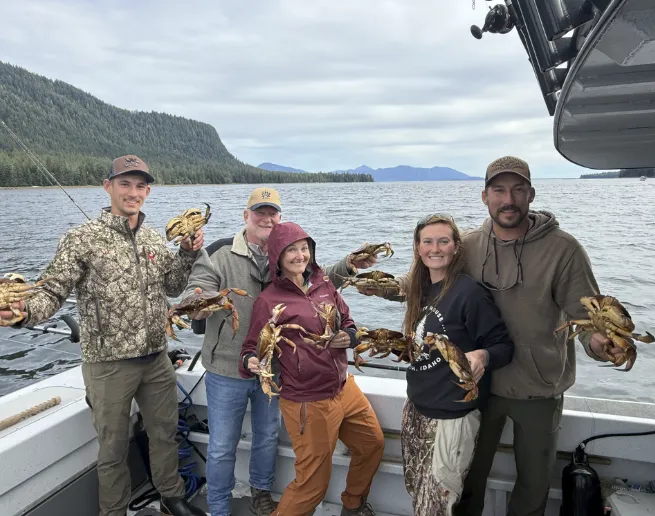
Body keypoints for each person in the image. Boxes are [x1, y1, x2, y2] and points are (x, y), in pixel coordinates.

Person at [363, 156, 623, 516]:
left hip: (539, 386)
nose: (508, 199)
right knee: (468, 480)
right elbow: (424, 280)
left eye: (518, 190)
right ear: (485, 196)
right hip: (479, 386)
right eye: (499, 190)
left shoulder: (564, 250)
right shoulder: (469, 245)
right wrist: (381, 286)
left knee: (533, 484)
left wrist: (599, 344)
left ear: (531, 194)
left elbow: (587, 314)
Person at [0, 155, 206, 516]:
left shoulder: (153, 238)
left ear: (147, 191)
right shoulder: (81, 238)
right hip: (107, 365)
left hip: (156, 359)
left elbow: (173, 287)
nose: (133, 192)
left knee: (164, 434)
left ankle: (171, 498)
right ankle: (113, 512)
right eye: (125, 184)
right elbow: (52, 291)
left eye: (140, 185)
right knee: (112, 448)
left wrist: (187, 253)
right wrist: (22, 313)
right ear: (108, 186)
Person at [182, 187, 377, 516]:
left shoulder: (287, 251)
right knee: (221, 446)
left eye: (273, 213)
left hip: (276, 371)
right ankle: (219, 508)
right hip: (227, 368)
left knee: (268, 437)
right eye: (260, 212)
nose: (267, 218)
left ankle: (260, 494)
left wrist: (347, 265)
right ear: (246, 216)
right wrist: (196, 303)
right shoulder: (219, 253)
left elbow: (314, 282)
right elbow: (196, 289)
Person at [239, 221, 384, 516]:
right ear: (278, 256)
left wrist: (350, 336)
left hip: (343, 387)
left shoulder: (323, 284)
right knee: (312, 484)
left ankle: (353, 505)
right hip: (307, 400)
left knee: (372, 444)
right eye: (291, 250)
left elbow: (347, 320)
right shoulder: (269, 300)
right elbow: (251, 348)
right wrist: (249, 361)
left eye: (304, 248)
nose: (300, 256)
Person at [400, 213, 514, 515]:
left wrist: (482, 356)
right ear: (417, 248)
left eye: (443, 241)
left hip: (452, 416)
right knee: (417, 494)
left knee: (437, 506)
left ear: (456, 247)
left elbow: (503, 346)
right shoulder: (420, 289)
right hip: (416, 408)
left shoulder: (469, 292)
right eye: (427, 242)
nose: (435, 248)